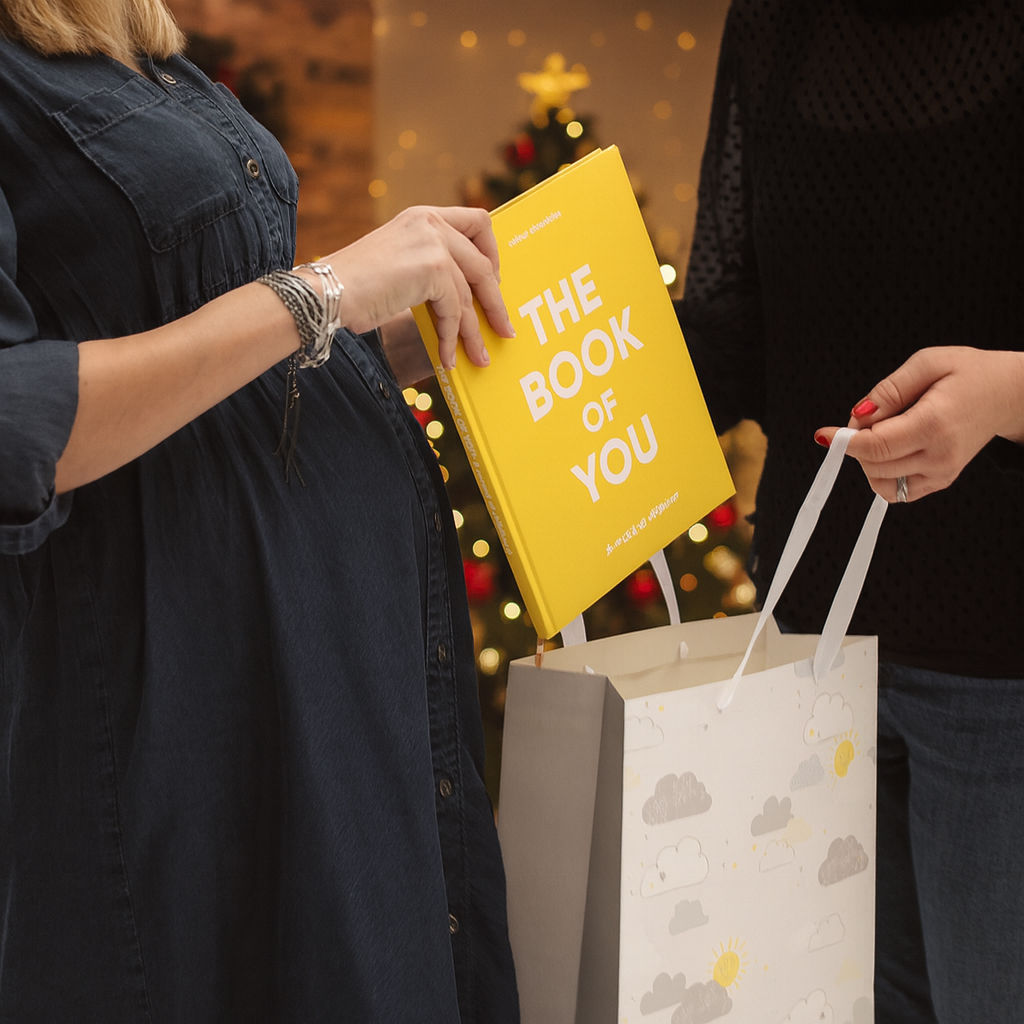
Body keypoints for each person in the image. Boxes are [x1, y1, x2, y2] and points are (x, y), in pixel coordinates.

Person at [0, 0, 520, 1021]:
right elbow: (18, 417)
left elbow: (221, 358)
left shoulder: (149, 62)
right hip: (185, 703)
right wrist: (322, 290)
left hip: (326, 683)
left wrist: (388, 334)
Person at [675, 1, 1024, 1022]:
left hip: (1005, 670)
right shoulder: (773, 23)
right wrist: (565, 355)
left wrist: (1002, 396)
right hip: (812, 645)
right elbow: (734, 326)